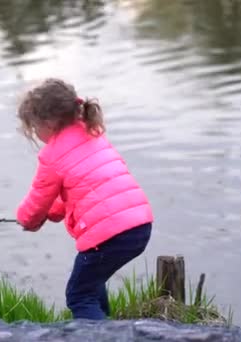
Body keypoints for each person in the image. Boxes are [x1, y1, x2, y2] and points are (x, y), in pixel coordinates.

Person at [15, 78, 153, 320]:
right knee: (92, 283)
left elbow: (37, 202)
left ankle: (103, 337)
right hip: (139, 225)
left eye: (35, 127)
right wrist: (55, 212)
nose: (36, 134)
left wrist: (26, 220)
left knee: (79, 295)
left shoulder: (52, 155)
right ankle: (109, 329)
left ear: (48, 123)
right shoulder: (91, 132)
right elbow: (82, 189)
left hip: (109, 235)